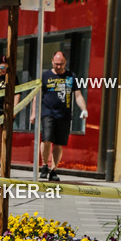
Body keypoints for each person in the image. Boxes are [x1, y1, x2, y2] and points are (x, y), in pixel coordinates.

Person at [31, 50, 87, 181]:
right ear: (52, 62)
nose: (58, 66)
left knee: (58, 143)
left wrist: (84, 109)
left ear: (65, 62)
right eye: (56, 64)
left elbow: (78, 95)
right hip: (48, 112)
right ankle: (45, 164)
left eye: (61, 64)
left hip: (64, 114)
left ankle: (53, 169)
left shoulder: (71, 76)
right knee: (47, 138)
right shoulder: (45, 76)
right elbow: (36, 96)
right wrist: (34, 113)